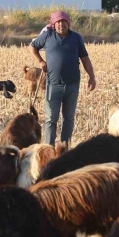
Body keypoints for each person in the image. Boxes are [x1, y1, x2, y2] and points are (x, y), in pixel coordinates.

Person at [29, 10, 96, 146]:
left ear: (68, 23)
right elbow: (32, 47)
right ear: (54, 24)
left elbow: (85, 58)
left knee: (68, 118)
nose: (61, 25)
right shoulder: (47, 35)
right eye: (58, 22)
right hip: (54, 84)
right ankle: (49, 148)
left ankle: (64, 148)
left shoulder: (76, 38)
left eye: (64, 22)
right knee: (51, 119)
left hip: (72, 84)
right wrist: (41, 61)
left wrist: (92, 76)